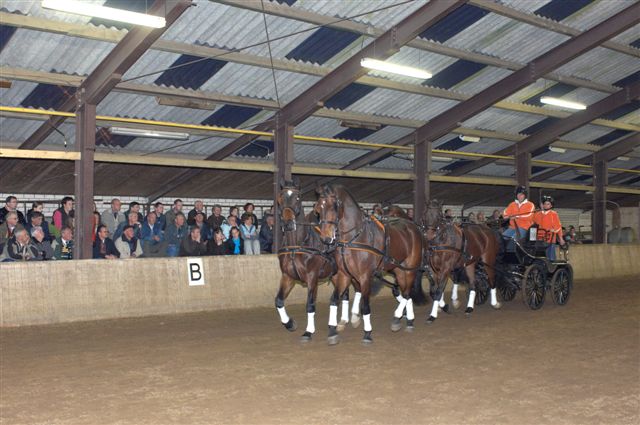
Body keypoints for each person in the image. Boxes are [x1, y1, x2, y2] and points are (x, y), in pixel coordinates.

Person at [533, 196, 565, 261]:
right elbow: (532, 225)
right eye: (545, 204)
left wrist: (561, 239)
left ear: (551, 206)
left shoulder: (554, 214)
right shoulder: (537, 214)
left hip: (550, 239)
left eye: (548, 204)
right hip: (539, 239)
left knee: (551, 258)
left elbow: (558, 227)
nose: (546, 205)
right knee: (539, 258)